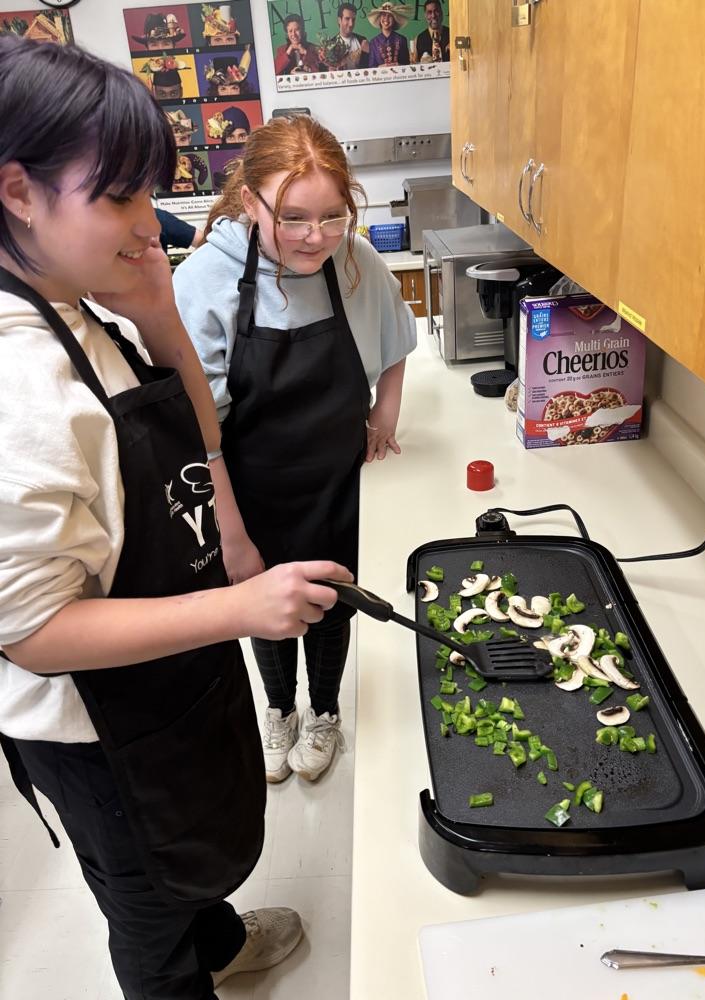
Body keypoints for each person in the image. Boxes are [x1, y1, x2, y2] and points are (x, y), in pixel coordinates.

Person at [0, 36, 352, 1000]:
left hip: (166, 667)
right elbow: (31, 633)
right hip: (97, 729)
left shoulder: (75, 305)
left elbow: (195, 447)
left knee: (190, 862)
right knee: (148, 915)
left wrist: (158, 317)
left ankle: (224, 942)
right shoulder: (15, 380)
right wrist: (242, 611)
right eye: (117, 196)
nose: (146, 220)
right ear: (18, 190)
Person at [172, 115, 416, 784]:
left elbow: (395, 337)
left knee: (332, 599)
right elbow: (199, 428)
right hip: (248, 490)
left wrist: (384, 411)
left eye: (332, 215)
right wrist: (230, 535)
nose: (316, 237)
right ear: (249, 202)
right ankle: (276, 710)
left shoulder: (354, 260)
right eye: (293, 218)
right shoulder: (204, 282)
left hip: (335, 480)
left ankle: (325, 712)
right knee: (264, 609)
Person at [367, 2, 412, 67]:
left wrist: (399, 65)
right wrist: (380, 67)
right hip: (379, 77)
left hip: (399, 76)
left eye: (390, 15)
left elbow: (407, 64)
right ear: (379, 18)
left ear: (394, 19)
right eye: (383, 15)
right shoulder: (374, 42)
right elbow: (371, 66)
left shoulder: (402, 39)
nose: (386, 18)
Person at [335, 2, 369, 69]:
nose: (351, 24)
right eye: (347, 19)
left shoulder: (362, 40)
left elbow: (371, 67)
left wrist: (371, 51)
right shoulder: (330, 45)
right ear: (339, 20)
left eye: (353, 20)